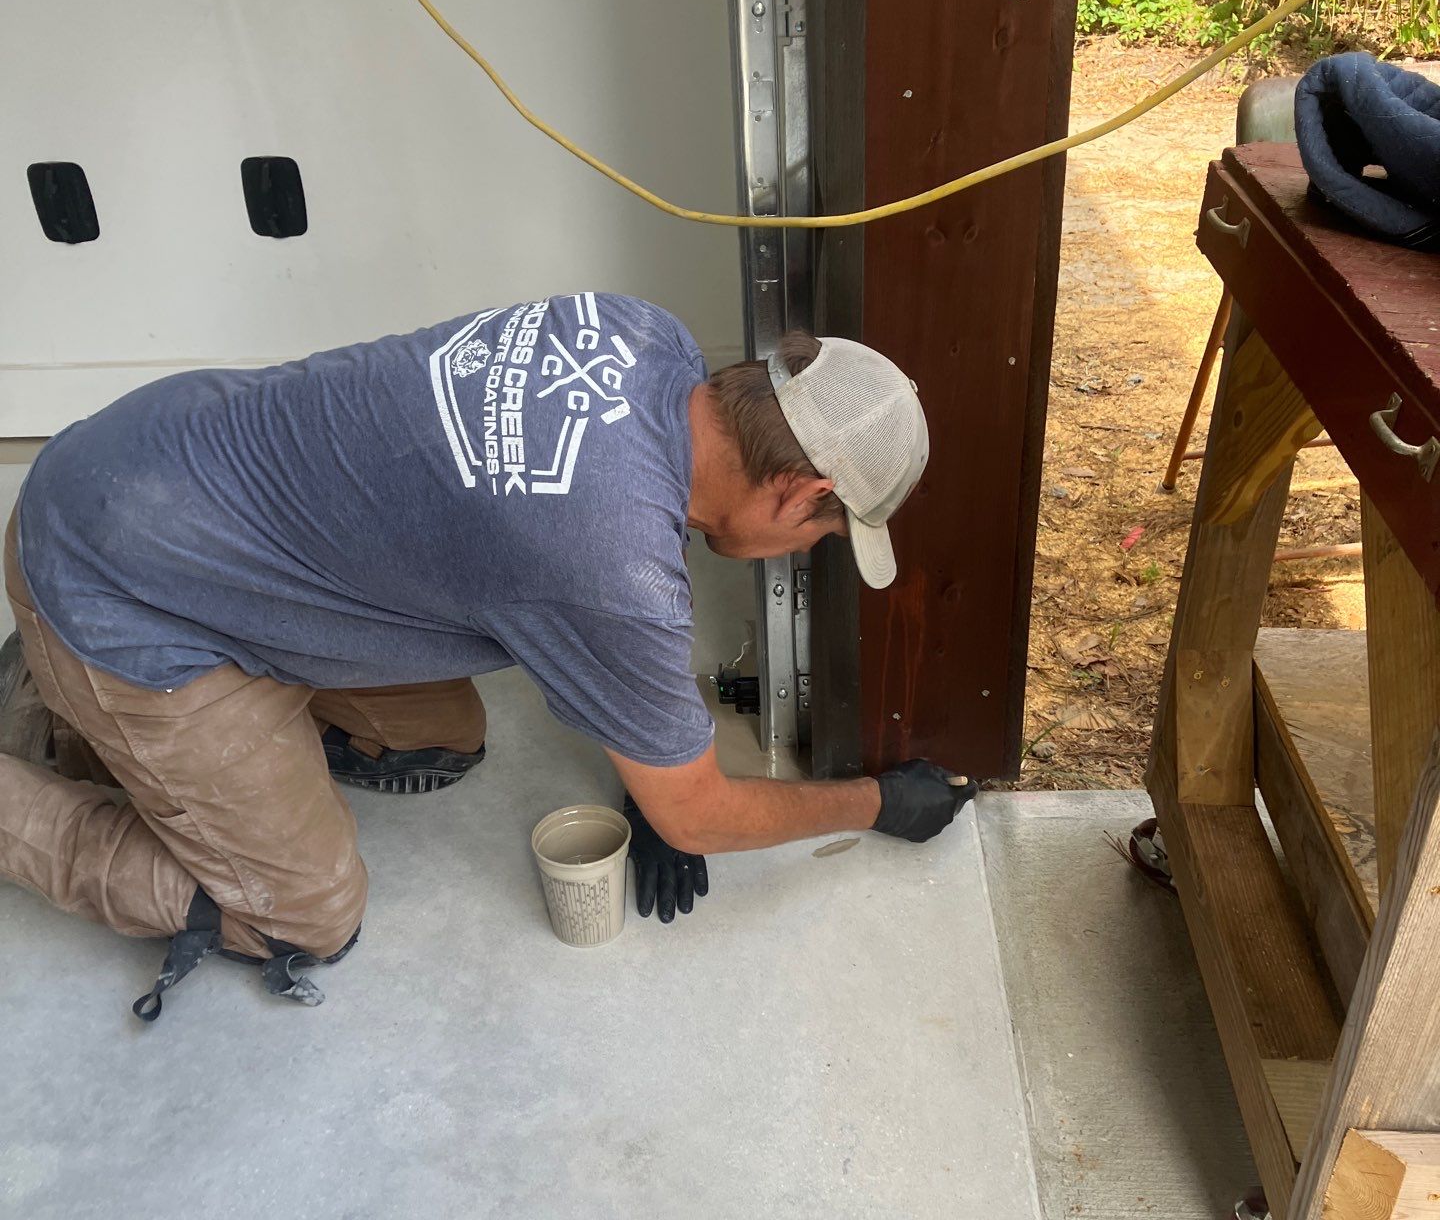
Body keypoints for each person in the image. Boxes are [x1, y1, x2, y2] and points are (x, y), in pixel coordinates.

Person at [0, 294, 973, 1019]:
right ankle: (71, 698)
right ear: (803, 494)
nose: (806, 552)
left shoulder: (642, 335)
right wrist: (878, 804)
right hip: (122, 587)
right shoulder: (605, 563)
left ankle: (88, 704)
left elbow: (597, 557)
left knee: (438, 747)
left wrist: (644, 749)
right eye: (824, 537)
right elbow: (698, 812)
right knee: (302, 917)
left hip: (154, 457)